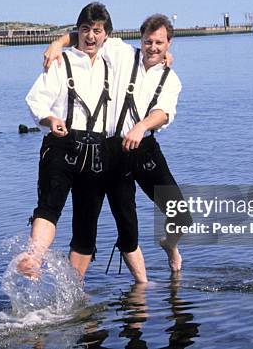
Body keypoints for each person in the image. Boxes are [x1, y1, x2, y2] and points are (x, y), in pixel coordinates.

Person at [45, 14, 192, 283]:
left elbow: (163, 112)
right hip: (112, 151)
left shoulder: (171, 79)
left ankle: (170, 245)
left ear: (169, 43)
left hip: (145, 149)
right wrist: (58, 44)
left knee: (181, 214)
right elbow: (89, 35)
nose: (153, 47)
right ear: (141, 39)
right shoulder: (122, 53)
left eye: (159, 42)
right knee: (126, 224)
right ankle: (142, 286)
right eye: (148, 41)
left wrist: (141, 127)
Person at [18, 2, 114, 280]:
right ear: (78, 31)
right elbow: (35, 99)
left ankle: (75, 288)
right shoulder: (61, 61)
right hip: (61, 143)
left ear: (106, 33)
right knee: (49, 207)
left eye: (97, 30)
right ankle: (33, 258)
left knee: (87, 225)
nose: (91, 36)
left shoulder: (114, 59)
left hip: (97, 150)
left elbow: (148, 53)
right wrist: (49, 120)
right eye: (85, 30)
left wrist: (165, 58)